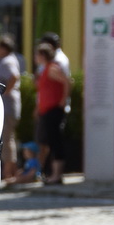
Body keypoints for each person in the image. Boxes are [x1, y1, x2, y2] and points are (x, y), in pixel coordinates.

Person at [0, 34, 21, 186]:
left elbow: (14, 77)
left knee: (7, 139)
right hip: (5, 106)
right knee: (7, 138)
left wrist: (4, 92)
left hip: (7, 106)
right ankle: (8, 172)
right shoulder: (4, 61)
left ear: (4, 48)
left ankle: (8, 174)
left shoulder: (8, 61)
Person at [35, 39, 69, 184]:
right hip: (47, 110)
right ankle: (53, 173)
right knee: (51, 141)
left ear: (43, 55)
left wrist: (63, 100)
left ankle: (57, 174)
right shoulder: (47, 68)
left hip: (54, 110)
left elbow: (67, 81)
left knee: (55, 142)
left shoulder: (52, 68)